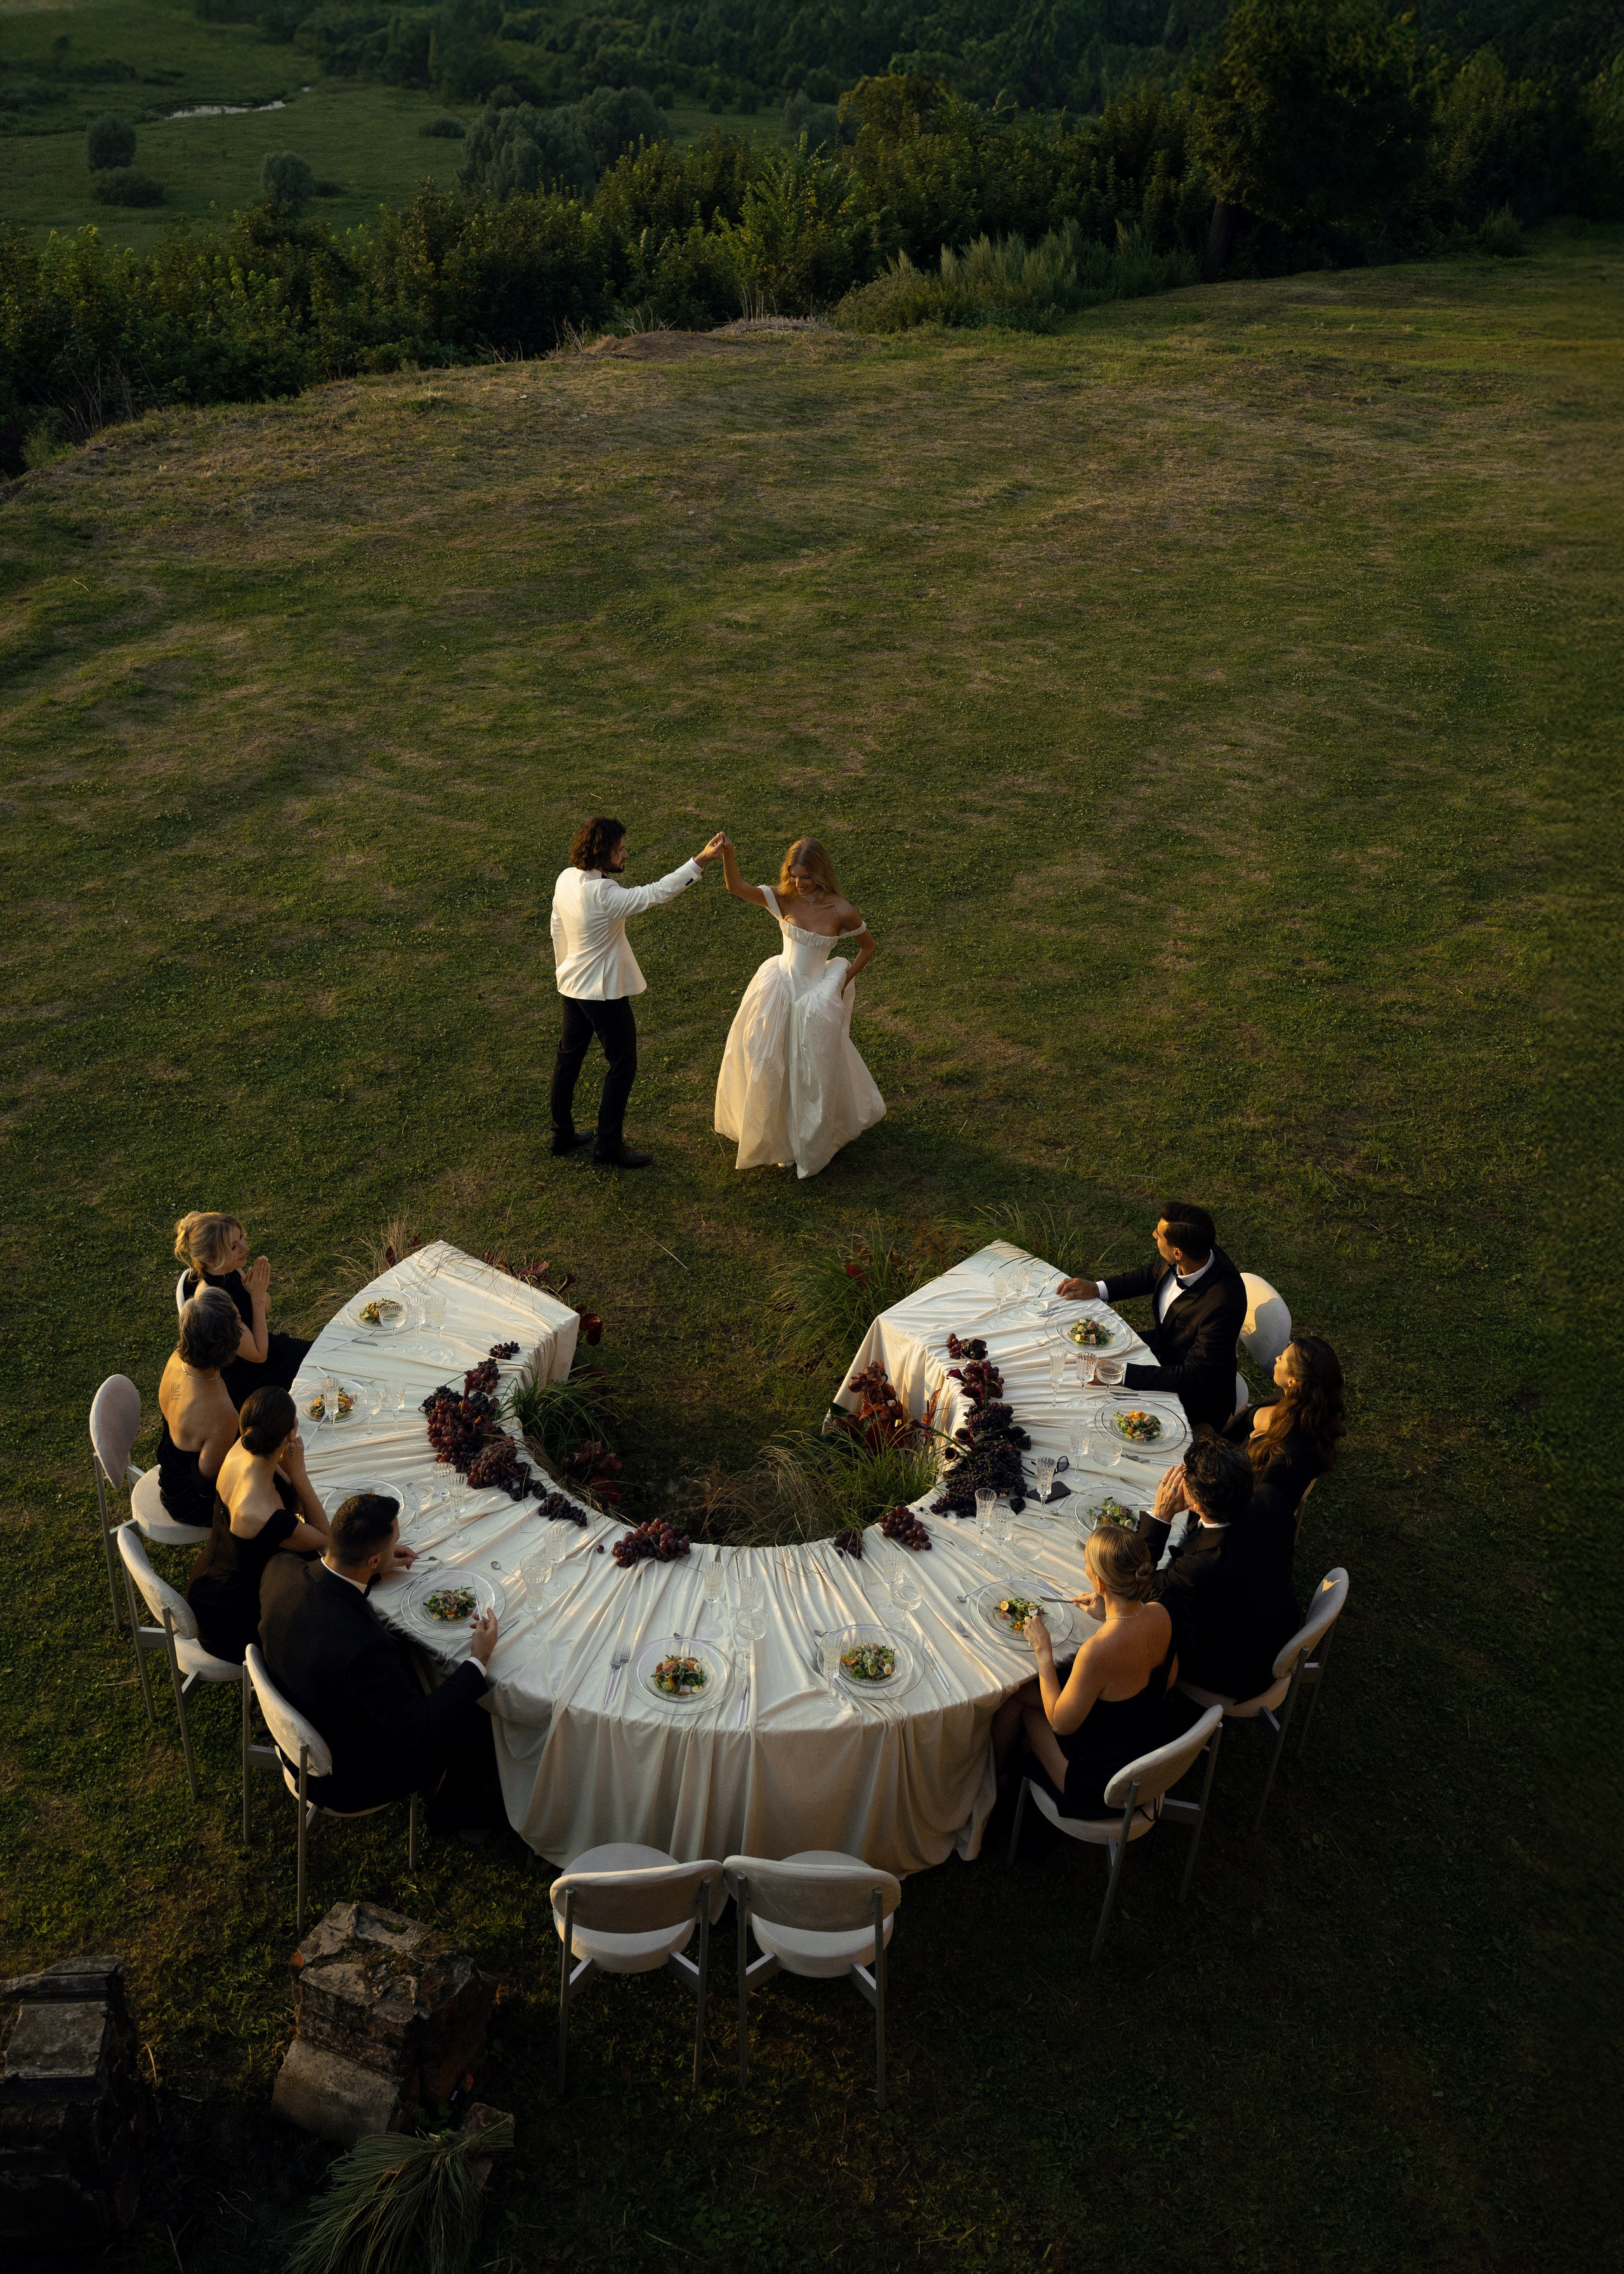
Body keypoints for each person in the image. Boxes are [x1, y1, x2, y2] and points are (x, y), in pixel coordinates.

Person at [258, 1490, 504, 1830]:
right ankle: (450, 1813)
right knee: (476, 1719)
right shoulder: (364, 1648)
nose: (397, 1546)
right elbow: (420, 1727)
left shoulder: (280, 1569)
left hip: (300, 1718)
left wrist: (377, 1566)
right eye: (392, 1544)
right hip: (348, 1777)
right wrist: (478, 1659)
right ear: (372, 1560)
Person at [549, 816, 727, 1169]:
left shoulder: (566, 878)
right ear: (604, 852)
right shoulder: (605, 895)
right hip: (603, 994)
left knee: (568, 1059)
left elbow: (557, 927)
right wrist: (702, 860)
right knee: (622, 1064)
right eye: (621, 849)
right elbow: (657, 893)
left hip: (572, 987)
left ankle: (561, 1134)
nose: (626, 854)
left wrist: (564, 970)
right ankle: (608, 1146)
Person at [712, 835, 886, 1179]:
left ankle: (809, 1138)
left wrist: (842, 981)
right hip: (778, 992)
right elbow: (736, 887)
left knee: (812, 1069)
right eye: (793, 875)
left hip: (813, 1001)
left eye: (806, 877)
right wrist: (728, 853)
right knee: (768, 1060)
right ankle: (778, 1139)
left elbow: (868, 947)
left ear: (820, 874)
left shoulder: (841, 910)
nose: (799, 883)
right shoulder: (781, 898)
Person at [990, 1523, 1177, 1818]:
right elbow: (1169, 1680)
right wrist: (1109, 1616)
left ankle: (999, 1781)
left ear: (1100, 1583)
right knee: (1024, 1693)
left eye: (1087, 1563)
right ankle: (1005, 1772)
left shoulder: (1097, 1652)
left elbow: (1060, 1723)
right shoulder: (1161, 1613)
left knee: (1021, 1705)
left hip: (1103, 1784)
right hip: (1145, 1748)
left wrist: (1043, 1651)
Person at [1059, 1203, 1245, 1434]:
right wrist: (1098, 1288)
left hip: (1194, 1396)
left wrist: (1120, 1374)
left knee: (1105, 1418)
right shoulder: (1193, 1251)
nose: (1153, 1235)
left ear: (1178, 1254)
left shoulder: (1223, 1302)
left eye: (1159, 1235)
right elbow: (1151, 1274)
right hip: (1158, 1351)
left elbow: (1195, 1375)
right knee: (1079, 1360)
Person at [1139, 1436, 1300, 1702]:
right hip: (1278, 1630)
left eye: (1185, 1478)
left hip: (1237, 1669)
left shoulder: (1200, 1566)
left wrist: (1161, 1516)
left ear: (1199, 1504)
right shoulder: (1271, 1498)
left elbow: (1140, 1584)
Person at [187, 1388, 329, 1664]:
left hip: (212, 1578)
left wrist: (290, 1471)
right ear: (289, 1436)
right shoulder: (263, 1514)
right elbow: (324, 1538)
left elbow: (295, 1506)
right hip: (230, 1616)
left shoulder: (244, 1448)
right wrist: (299, 1473)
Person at [174, 1211, 311, 1409]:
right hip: (249, 1377)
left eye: (242, 1238)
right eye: (233, 1247)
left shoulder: (230, 1269)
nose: (245, 1248)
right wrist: (256, 1296)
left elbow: (264, 1309)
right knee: (316, 1373)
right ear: (211, 1259)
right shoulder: (213, 1301)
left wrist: (258, 1292)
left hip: (265, 1348)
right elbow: (258, 1355)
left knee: (321, 1353)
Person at [1226, 1332, 1345, 1542]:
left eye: (1282, 1358)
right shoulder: (1295, 1399)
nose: (1277, 1358)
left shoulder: (1289, 1458)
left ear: (1293, 1381)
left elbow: (1256, 1516)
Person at [155, 1289, 243, 1528]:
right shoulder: (223, 1413)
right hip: (189, 1501)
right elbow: (206, 1485)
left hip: (170, 1473)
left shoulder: (176, 1360)